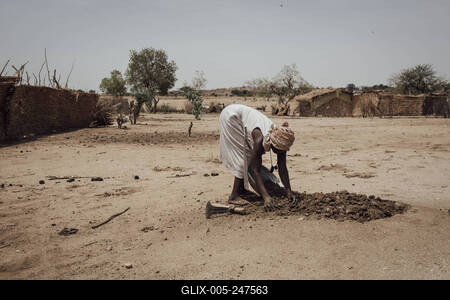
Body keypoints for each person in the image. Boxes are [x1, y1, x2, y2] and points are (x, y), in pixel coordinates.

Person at [219, 104, 297, 210]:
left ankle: (242, 190)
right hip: (231, 117)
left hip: (239, 116)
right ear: (274, 143)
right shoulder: (260, 140)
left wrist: (288, 190)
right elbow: (254, 169)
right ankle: (234, 195)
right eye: (278, 150)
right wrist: (266, 197)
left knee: (248, 156)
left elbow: (282, 166)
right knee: (243, 158)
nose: (279, 153)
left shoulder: (280, 137)